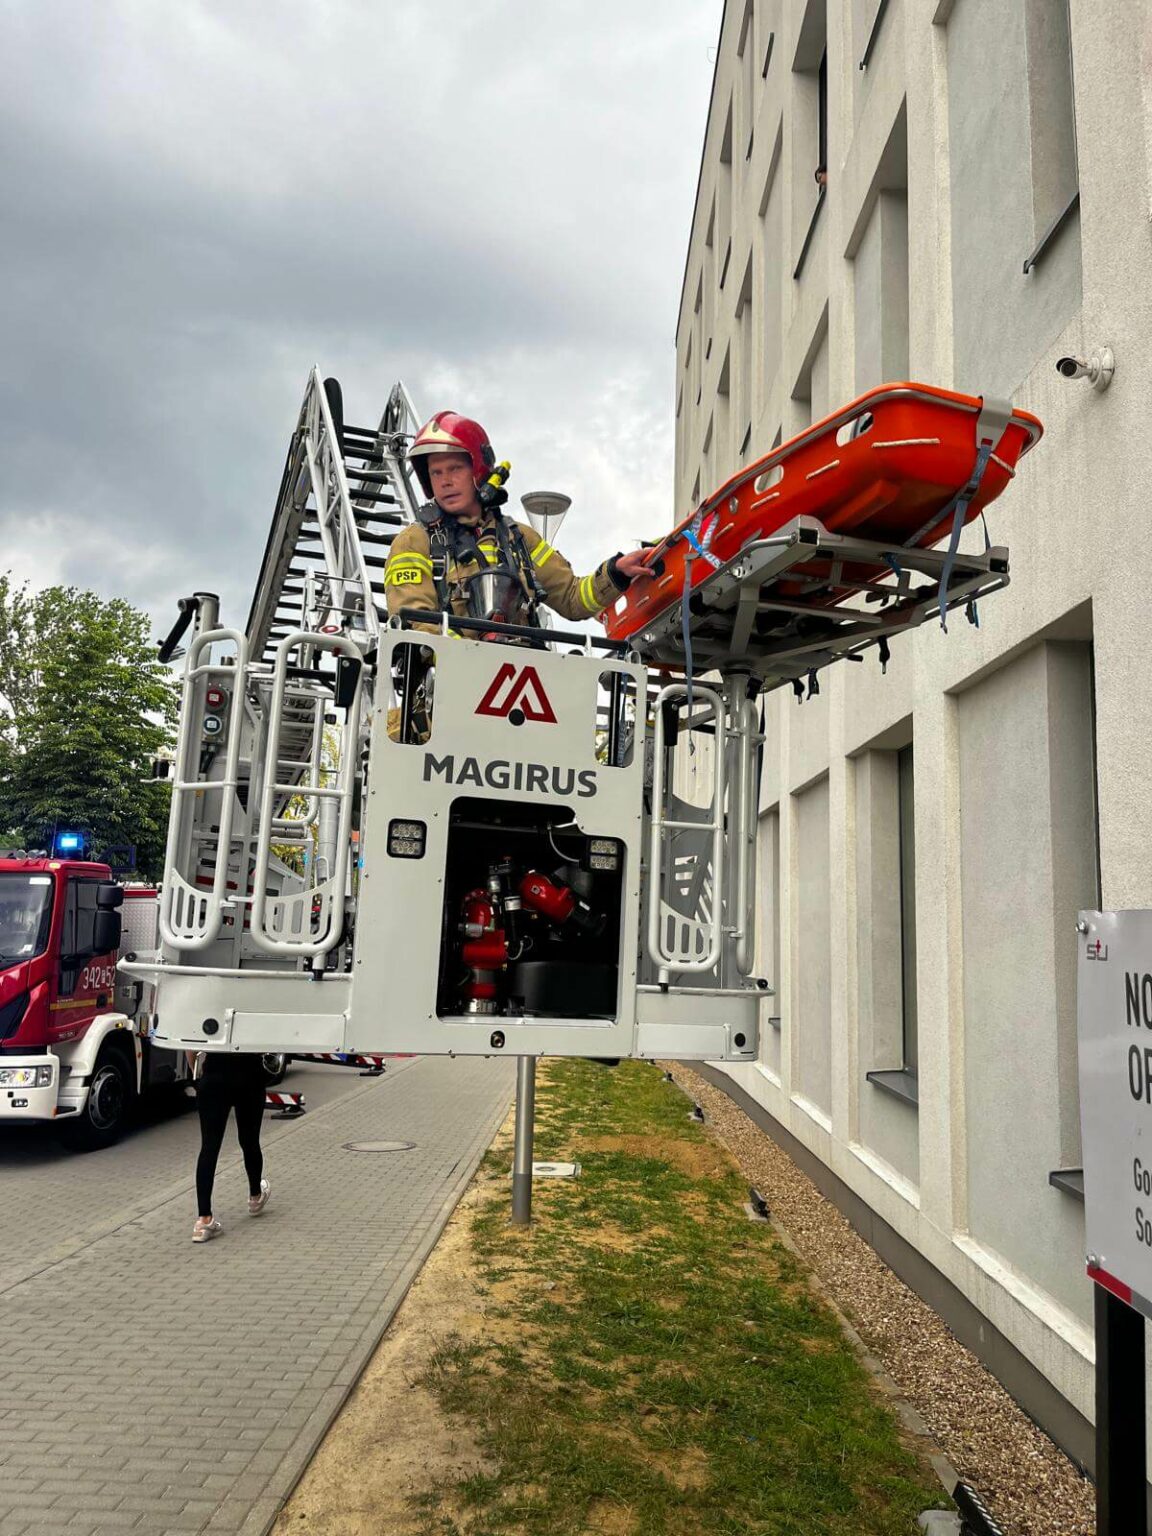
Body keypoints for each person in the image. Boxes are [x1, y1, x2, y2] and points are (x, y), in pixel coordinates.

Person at [383, 411, 652, 636]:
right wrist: (471, 660)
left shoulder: (519, 538)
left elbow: (572, 598)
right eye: (436, 472)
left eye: (455, 469)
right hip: (446, 691)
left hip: (521, 687)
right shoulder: (414, 542)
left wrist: (615, 573)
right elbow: (417, 625)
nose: (445, 481)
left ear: (478, 469)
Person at [192, 1051, 270, 1243]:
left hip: (214, 1072)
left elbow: (190, 1043)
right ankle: (255, 1196)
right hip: (250, 1072)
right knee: (249, 1139)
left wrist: (196, 1069)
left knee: (209, 1147)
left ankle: (204, 1220)